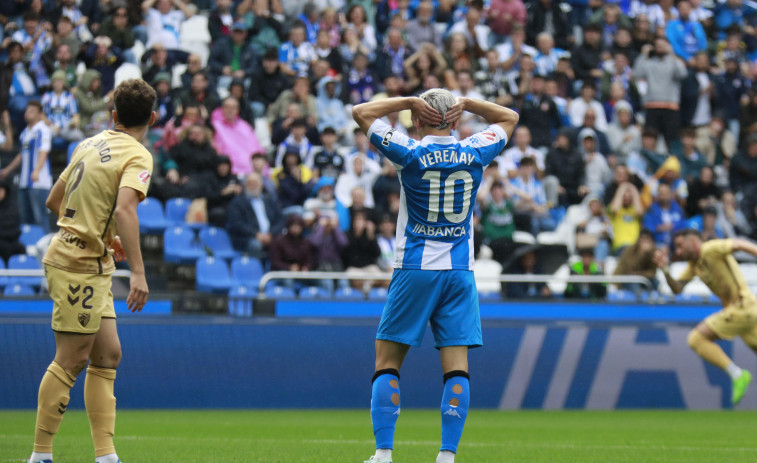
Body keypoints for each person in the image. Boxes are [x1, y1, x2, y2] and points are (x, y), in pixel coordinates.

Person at [352, 88, 518, 463]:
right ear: (457, 121)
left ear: (418, 121)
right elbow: (510, 118)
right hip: (460, 272)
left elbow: (362, 112)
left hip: (415, 268)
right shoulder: (475, 149)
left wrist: (407, 101)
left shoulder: (409, 153)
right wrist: (472, 103)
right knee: (456, 366)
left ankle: (383, 453)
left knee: (388, 360)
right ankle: (447, 455)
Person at [27, 79, 155, 463]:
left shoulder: (89, 143)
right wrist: (138, 272)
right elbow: (125, 210)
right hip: (76, 265)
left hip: (87, 258)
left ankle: (105, 456)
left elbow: (54, 200)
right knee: (71, 359)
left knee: (108, 355)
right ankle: (40, 455)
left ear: (113, 115)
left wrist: (101, 237)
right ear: (151, 117)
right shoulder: (138, 155)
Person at [653, 229, 757, 405]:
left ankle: (738, 375)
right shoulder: (695, 265)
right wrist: (664, 269)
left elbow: (739, 244)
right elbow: (677, 289)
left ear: (693, 240)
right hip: (747, 313)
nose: (677, 252)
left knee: (696, 338)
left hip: (742, 307)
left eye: (679, 246)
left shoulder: (710, 249)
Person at [1, 101, 53, 233]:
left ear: (40, 114)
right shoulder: (25, 132)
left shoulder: (43, 129)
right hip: (24, 182)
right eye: (26, 110)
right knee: (25, 219)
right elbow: (22, 155)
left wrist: (36, 170)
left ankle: (44, 247)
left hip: (39, 182)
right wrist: (8, 170)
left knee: (40, 218)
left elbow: (44, 151)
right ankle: (29, 248)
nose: (27, 113)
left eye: (31, 111)